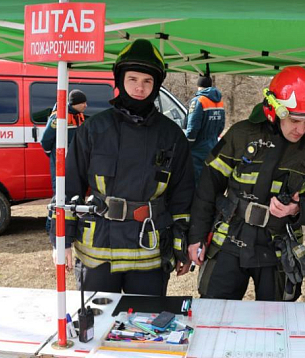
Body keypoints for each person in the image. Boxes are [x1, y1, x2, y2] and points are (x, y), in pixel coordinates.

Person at [50, 39, 195, 295]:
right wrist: (60, 240)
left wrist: (180, 243)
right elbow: (69, 184)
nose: (140, 87)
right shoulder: (94, 129)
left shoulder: (171, 135)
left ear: (156, 85)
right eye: (133, 79)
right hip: (98, 251)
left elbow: (183, 194)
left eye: (147, 81)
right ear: (120, 80)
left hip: (148, 250)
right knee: (97, 324)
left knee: (145, 325)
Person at [188, 66, 305, 302]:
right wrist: (196, 236)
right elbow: (207, 188)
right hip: (229, 240)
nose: (302, 129)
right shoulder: (240, 134)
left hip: (278, 249)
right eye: (295, 120)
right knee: (214, 312)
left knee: (277, 322)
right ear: (273, 110)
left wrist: (298, 208)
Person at [40, 89, 87, 234]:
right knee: (60, 194)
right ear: (75, 104)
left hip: (74, 160)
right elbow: (45, 140)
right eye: (83, 103)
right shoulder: (58, 117)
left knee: (76, 192)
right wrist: (54, 156)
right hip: (61, 161)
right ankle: (51, 227)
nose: (86, 105)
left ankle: (73, 226)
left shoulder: (78, 115)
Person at [185, 75, 225, 186]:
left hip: (198, 148)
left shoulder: (198, 101)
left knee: (195, 181)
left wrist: (187, 145)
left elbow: (192, 128)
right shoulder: (219, 102)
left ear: (199, 86)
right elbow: (221, 126)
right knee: (208, 180)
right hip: (213, 145)